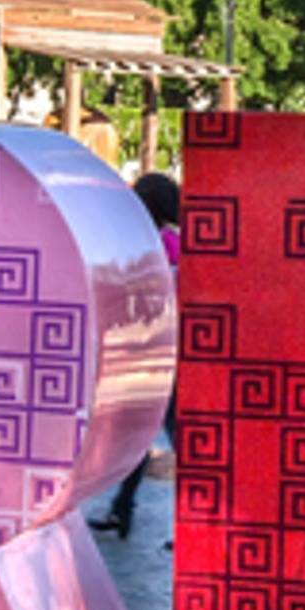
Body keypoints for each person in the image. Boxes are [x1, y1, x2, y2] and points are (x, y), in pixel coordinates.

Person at [92, 171, 188, 540]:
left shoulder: (152, 243)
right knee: (143, 434)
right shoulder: (173, 242)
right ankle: (122, 508)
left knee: (149, 434)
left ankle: (181, 523)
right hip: (167, 352)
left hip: (153, 353)